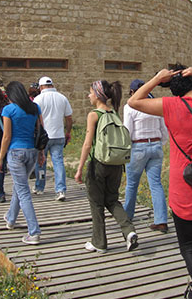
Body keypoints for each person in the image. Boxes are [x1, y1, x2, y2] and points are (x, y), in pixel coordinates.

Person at [127, 65, 192, 299]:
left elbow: (134, 101)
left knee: (190, 248)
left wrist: (156, 79)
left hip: (186, 188)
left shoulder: (171, 105)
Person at [75, 80, 138, 254]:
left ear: (97, 94)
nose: (88, 96)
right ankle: (129, 230)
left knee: (96, 203)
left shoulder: (94, 115)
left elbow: (88, 144)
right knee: (111, 200)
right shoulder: (114, 114)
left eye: (90, 92)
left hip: (99, 164)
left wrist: (80, 168)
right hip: (117, 164)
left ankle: (99, 243)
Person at [0, 81, 44, 245]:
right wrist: (41, 153)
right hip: (32, 151)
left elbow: (6, 137)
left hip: (16, 152)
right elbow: (40, 132)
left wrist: (0, 159)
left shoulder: (8, 110)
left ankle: (34, 232)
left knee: (23, 191)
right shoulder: (34, 108)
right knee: (21, 187)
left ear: (10, 95)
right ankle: (11, 218)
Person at [123, 79, 169, 233]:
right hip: (155, 145)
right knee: (156, 184)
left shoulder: (130, 106)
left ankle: (127, 215)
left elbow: (127, 131)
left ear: (132, 91)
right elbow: (164, 129)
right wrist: (160, 143)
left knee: (131, 184)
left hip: (138, 146)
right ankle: (161, 220)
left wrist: (126, 149)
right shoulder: (155, 104)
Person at [33, 76, 73, 201]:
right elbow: (69, 118)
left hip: (43, 136)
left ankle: (40, 187)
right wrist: (68, 132)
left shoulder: (38, 99)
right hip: (58, 135)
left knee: (41, 162)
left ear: (40, 87)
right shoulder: (62, 98)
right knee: (58, 162)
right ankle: (60, 190)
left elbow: (35, 119)